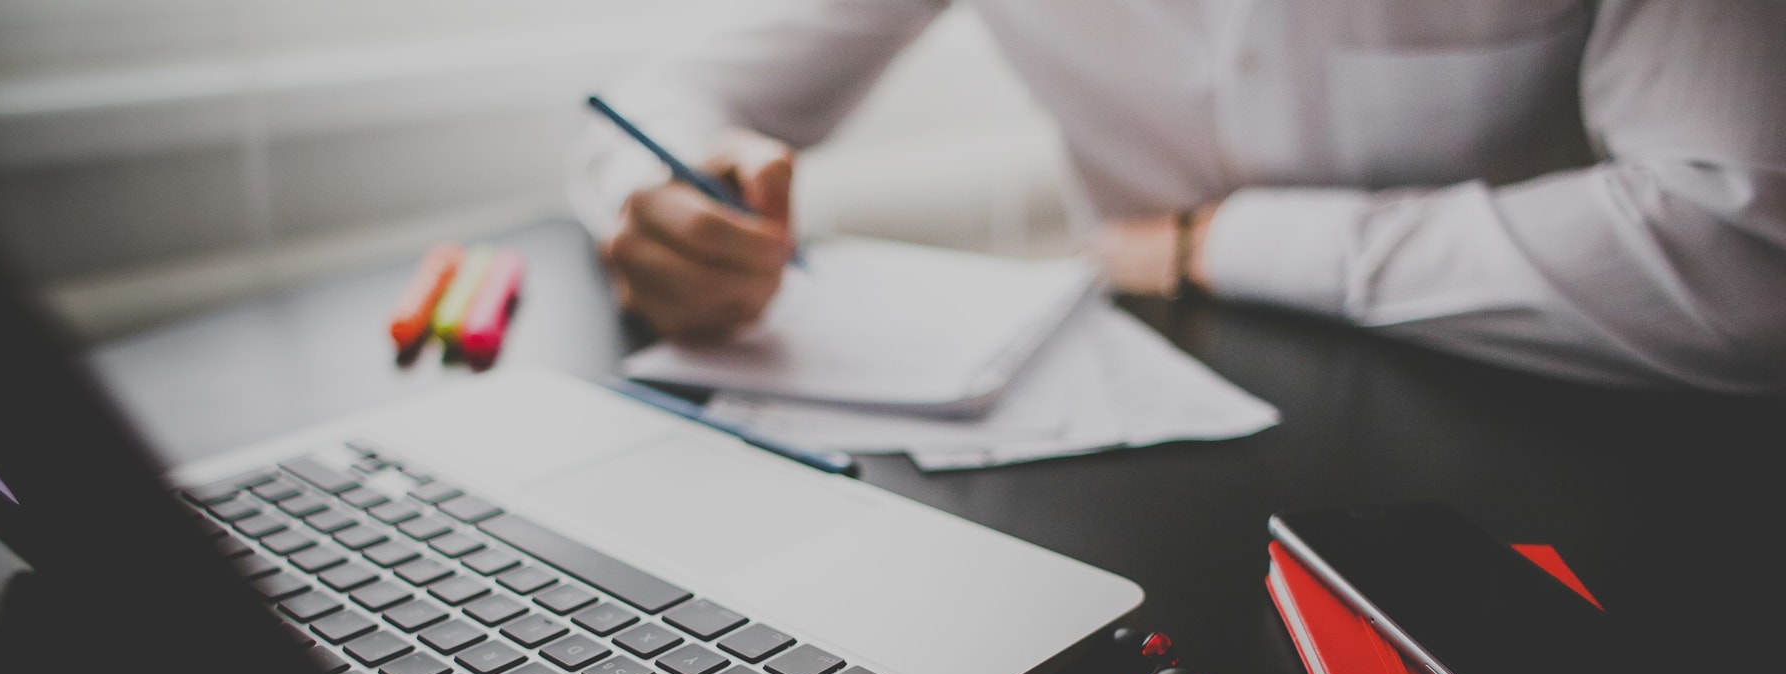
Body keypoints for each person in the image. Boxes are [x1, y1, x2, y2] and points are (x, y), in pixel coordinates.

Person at [568, 0, 1786, 394]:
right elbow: (668, 92)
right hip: (1144, 433)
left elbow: (1742, 242)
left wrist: (1222, 243)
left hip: (1554, 419)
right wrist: (657, 200)